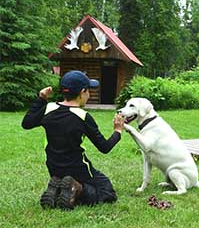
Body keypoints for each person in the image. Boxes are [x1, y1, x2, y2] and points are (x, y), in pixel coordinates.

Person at [22, 70, 124, 210]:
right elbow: (104, 147)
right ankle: (76, 188)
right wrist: (117, 131)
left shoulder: (49, 108)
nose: (89, 95)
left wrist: (41, 99)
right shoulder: (83, 116)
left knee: (69, 179)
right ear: (82, 92)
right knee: (107, 192)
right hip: (77, 168)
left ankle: (57, 188)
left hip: (54, 167)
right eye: (89, 91)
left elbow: (26, 123)